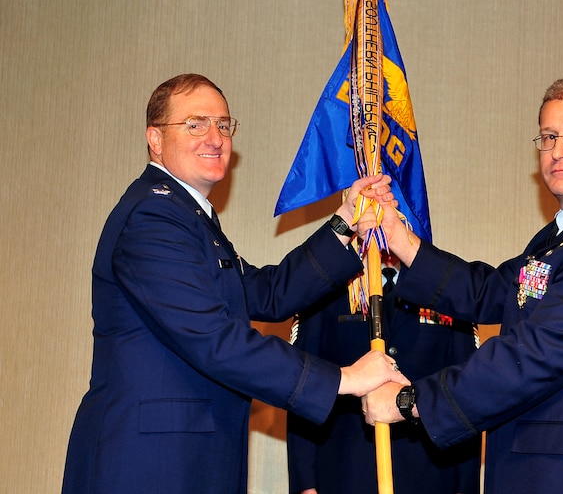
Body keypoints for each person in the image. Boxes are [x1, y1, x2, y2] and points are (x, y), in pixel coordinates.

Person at [61, 73, 408, 494]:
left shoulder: (188, 218)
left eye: (224, 125)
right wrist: (344, 379)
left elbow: (268, 292)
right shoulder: (153, 219)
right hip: (151, 464)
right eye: (195, 124)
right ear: (155, 138)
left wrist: (345, 223)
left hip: (192, 458)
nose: (215, 137)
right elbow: (215, 339)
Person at [361, 79, 563, 494]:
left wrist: (412, 401)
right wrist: (402, 241)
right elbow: (493, 291)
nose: (558, 150)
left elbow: (533, 356)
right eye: (548, 137)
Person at [286, 252, 482, 494]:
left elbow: (466, 394)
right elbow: (304, 388)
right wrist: (305, 484)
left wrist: (466, 486)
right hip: (344, 472)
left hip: (429, 476)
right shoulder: (327, 284)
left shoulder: (445, 283)